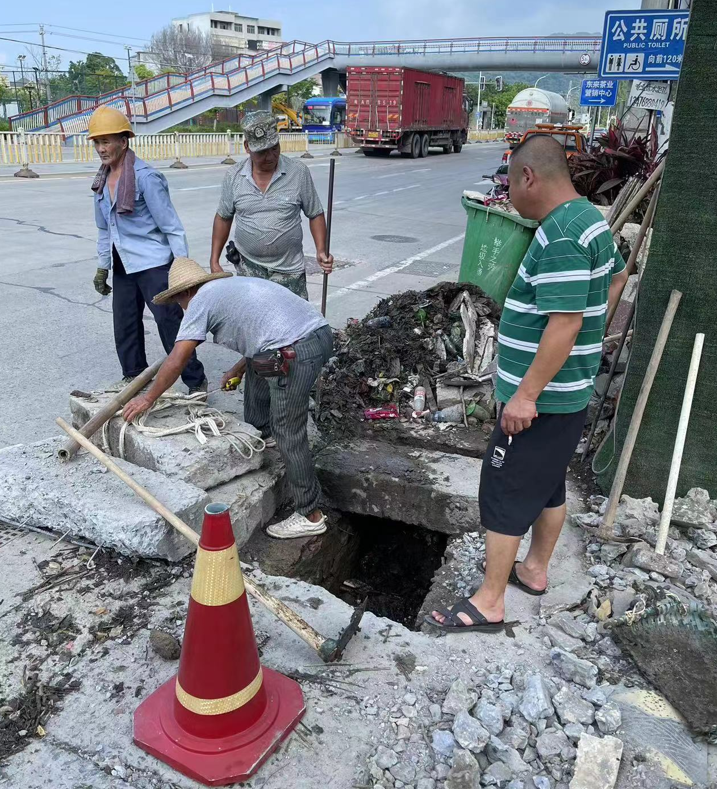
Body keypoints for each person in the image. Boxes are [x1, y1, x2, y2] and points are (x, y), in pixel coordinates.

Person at [428, 135, 628, 633]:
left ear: (529, 177)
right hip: (567, 395)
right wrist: (587, 339)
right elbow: (617, 280)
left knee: (504, 485)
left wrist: (526, 394)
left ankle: (491, 601)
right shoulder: (589, 221)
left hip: (542, 400)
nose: (508, 196)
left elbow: (562, 323)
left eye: (509, 183)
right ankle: (534, 570)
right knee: (547, 483)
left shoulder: (561, 235)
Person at [122, 258, 334, 540]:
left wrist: (148, 398)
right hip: (314, 335)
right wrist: (237, 369)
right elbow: (261, 332)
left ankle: (310, 514)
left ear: (186, 292)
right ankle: (265, 437)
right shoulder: (228, 288)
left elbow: (178, 358)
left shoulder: (199, 301)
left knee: (289, 429)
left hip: (296, 350)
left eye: (178, 301)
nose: (180, 307)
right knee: (258, 371)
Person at [89, 105, 206, 393]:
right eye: (97, 142)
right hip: (123, 263)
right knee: (125, 322)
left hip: (153, 262)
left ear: (123, 141)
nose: (101, 149)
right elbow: (105, 229)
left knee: (170, 323)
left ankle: (195, 381)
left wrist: (182, 269)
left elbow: (171, 226)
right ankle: (134, 378)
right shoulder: (101, 181)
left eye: (106, 141)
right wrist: (103, 265)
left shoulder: (146, 177)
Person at [209, 110, 333, 299]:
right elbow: (223, 217)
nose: (270, 156)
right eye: (262, 152)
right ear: (247, 147)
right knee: (253, 323)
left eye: (274, 148)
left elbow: (315, 213)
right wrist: (214, 260)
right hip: (248, 269)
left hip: (289, 271)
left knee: (293, 324)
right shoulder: (233, 176)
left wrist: (321, 250)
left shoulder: (298, 172)